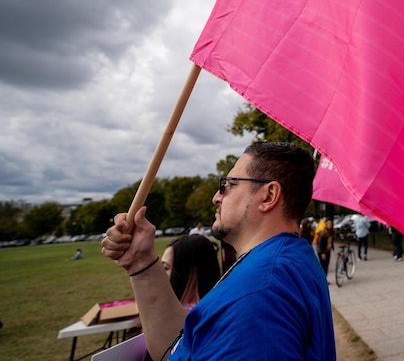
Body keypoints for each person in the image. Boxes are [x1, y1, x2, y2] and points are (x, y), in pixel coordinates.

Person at [101, 141, 336, 361]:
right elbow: (183, 345)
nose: (216, 197)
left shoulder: (257, 293)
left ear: (269, 196)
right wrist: (140, 263)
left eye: (228, 185)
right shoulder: (287, 260)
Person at [161, 234, 221, 310]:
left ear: (191, 275)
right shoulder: (219, 305)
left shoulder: (189, 316)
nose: (159, 275)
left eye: (165, 268)